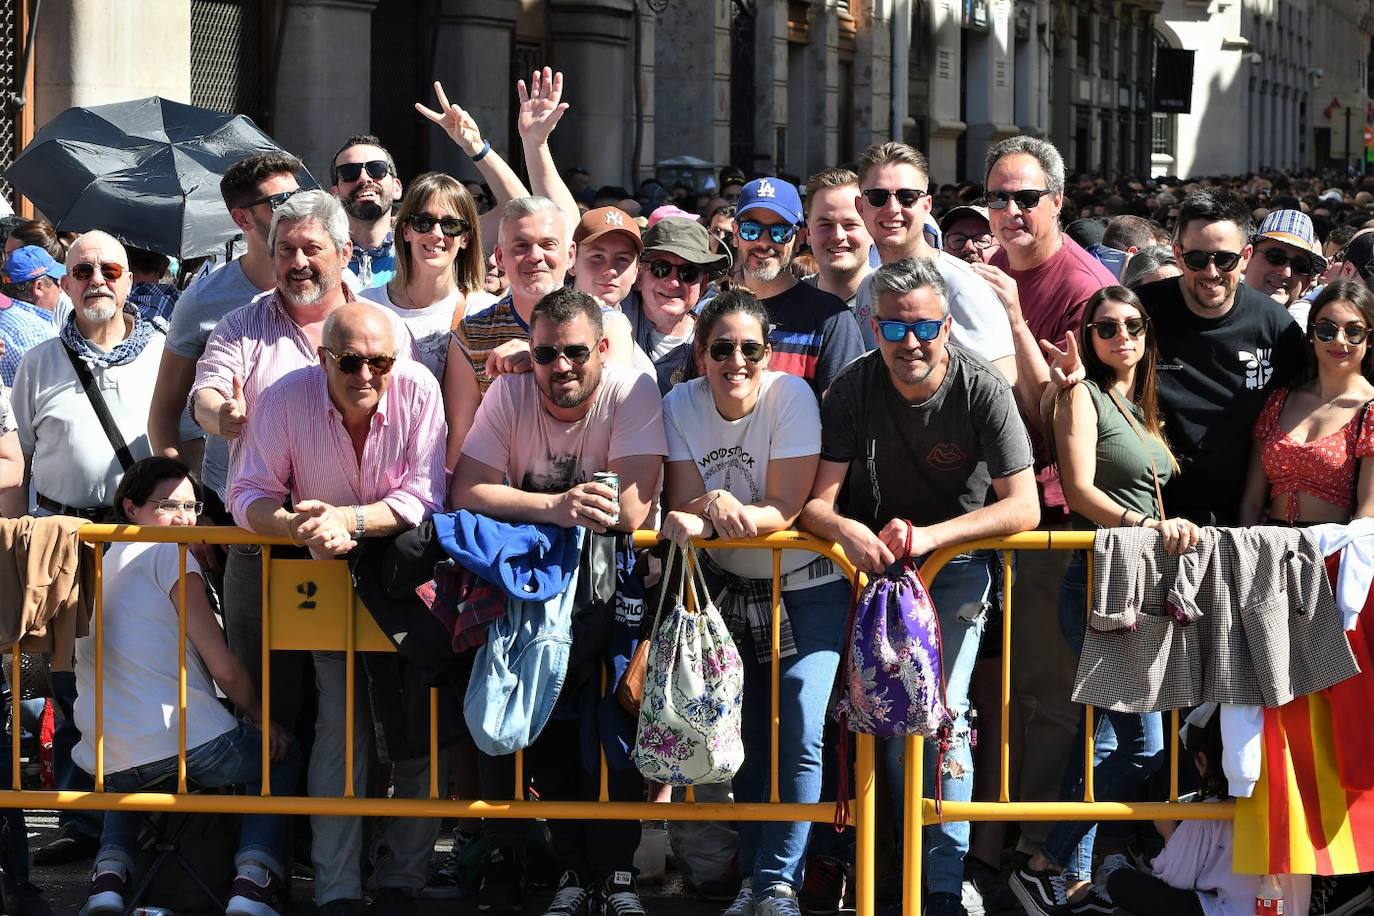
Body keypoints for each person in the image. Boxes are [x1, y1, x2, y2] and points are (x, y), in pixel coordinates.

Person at [798, 257, 1039, 916]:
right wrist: (847, 530)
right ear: (874, 328)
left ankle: (941, 884)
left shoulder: (981, 385)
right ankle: (883, 873)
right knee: (869, 724)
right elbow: (815, 503)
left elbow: (1024, 506)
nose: (911, 342)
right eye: (896, 328)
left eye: (926, 326)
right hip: (868, 572)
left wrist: (932, 538)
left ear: (948, 324)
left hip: (952, 569)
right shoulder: (851, 387)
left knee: (941, 720)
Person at [450, 286, 666, 916]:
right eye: (546, 354)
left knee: (616, 727)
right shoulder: (511, 389)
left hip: (615, 586)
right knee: (550, 722)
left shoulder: (631, 389)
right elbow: (466, 489)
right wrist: (558, 507)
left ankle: (617, 874)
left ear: (602, 348)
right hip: (537, 588)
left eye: (575, 352)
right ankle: (572, 869)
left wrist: (529, 505)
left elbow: (630, 507)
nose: (561, 366)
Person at [232, 301, 446, 915]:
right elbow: (249, 493)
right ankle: (337, 890)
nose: (367, 374)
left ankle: (403, 879)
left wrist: (344, 519)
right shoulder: (284, 397)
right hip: (323, 568)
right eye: (351, 361)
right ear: (325, 358)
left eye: (380, 360)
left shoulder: (419, 387)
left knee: (417, 724)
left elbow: (426, 494)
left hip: (405, 571)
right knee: (338, 725)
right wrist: (302, 529)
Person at [658, 288, 846, 916]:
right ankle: (754, 881)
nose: (737, 361)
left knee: (799, 723)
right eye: (722, 348)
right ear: (699, 351)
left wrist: (719, 509)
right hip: (728, 591)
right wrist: (711, 505)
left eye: (751, 349)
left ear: (769, 352)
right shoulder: (680, 401)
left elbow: (787, 507)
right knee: (745, 740)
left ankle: (777, 882)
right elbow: (685, 503)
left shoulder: (790, 395)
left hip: (809, 584)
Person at [1009, 286, 1197, 916]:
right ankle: (1047, 860)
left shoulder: (1136, 403)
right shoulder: (1082, 395)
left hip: (1144, 585)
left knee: (1111, 744)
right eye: (1107, 327)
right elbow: (1081, 491)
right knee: (1144, 746)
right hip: (1102, 583)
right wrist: (1145, 528)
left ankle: (1060, 876)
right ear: (1088, 336)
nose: (1122, 336)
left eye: (1134, 326)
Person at [968, 137, 1116, 867]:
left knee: (1044, 695)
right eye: (997, 196)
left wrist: (1016, 323)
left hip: (1051, 522)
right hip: (979, 514)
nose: (1010, 211)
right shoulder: (983, 271)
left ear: (1059, 202)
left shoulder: (1085, 290)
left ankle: (1034, 846)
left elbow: (1051, 430)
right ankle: (982, 839)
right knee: (985, 691)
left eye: (1026, 197)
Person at [75, 457, 298, 916]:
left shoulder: (94, 558)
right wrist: (263, 718)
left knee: (128, 763)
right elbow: (225, 670)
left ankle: (108, 879)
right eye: (169, 506)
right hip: (185, 746)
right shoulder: (171, 555)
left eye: (192, 506)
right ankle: (252, 883)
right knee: (282, 754)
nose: (185, 519)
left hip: (101, 756)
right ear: (130, 507)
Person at [1134, 188, 1307, 525]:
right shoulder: (1139, 311)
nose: (1211, 272)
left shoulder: (1276, 326)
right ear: (1177, 253)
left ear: (1244, 256)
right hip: (1152, 521)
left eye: (1224, 259)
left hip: (1241, 522)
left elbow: (1307, 405)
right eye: (1197, 259)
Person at [148, 150, 303, 516]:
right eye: (281, 201)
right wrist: (187, 508)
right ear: (242, 218)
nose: (297, 208)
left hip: (325, 499)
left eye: (300, 195)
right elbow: (163, 415)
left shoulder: (333, 284)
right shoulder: (204, 299)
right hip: (233, 504)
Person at [1096, 709, 1310, 916]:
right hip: (1291, 910)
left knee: (1123, 884)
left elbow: (1173, 878)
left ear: (1202, 759)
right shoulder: (1293, 806)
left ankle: (1113, 871)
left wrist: (1168, 832)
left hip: (1228, 910)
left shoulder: (1211, 811)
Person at [850, 144, 1017, 387]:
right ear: (860, 207)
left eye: (907, 197)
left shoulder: (962, 285)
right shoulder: (867, 287)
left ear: (926, 205)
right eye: (878, 197)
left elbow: (1002, 384)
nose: (893, 208)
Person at [443, 196, 572, 465]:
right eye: (521, 246)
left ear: (570, 255)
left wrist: (539, 357)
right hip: (499, 496)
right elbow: (461, 444)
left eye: (548, 244)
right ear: (500, 257)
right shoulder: (472, 335)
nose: (535, 256)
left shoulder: (606, 325)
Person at [730, 176, 865, 397]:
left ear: (800, 236)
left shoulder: (830, 319)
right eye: (751, 230)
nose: (764, 242)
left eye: (780, 232)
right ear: (736, 234)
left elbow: (846, 418)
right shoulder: (713, 312)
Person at [361, 172, 488, 378]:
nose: (436, 234)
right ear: (405, 231)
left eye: (451, 225)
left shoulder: (483, 311)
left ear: (465, 238)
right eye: (423, 222)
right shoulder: (366, 306)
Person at [621, 216, 731, 393]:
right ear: (639, 276)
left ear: (702, 286)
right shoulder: (615, 315)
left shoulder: (714, 339)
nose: (672, 283)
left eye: (688, 272)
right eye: (660, 268)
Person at [332, 134, 403, 289]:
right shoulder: (322, 257)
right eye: (349, 172)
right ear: (335, 193)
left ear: (397, 188)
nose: (364, 178)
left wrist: (470, 149)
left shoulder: (419, 252)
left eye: (377, 169)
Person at [804, 168, 873, 308]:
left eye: (850, 225)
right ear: (808, 233)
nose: (838, 236)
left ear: (871, 229)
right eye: (826, 225)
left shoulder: (895, 302)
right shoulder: (791, 303)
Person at [1243, 210, 1326, 326]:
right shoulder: (1210, 319)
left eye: (1300, 267)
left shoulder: (1299, 341)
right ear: (1246, 258)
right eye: (1275, 257)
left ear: (1306, 283)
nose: (1286, 272)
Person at [0, 248, 58, 386]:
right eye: (56, 281)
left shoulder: (7, 317)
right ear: (38, 287)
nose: (60, 287)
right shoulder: (34, 332)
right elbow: (53, 391)